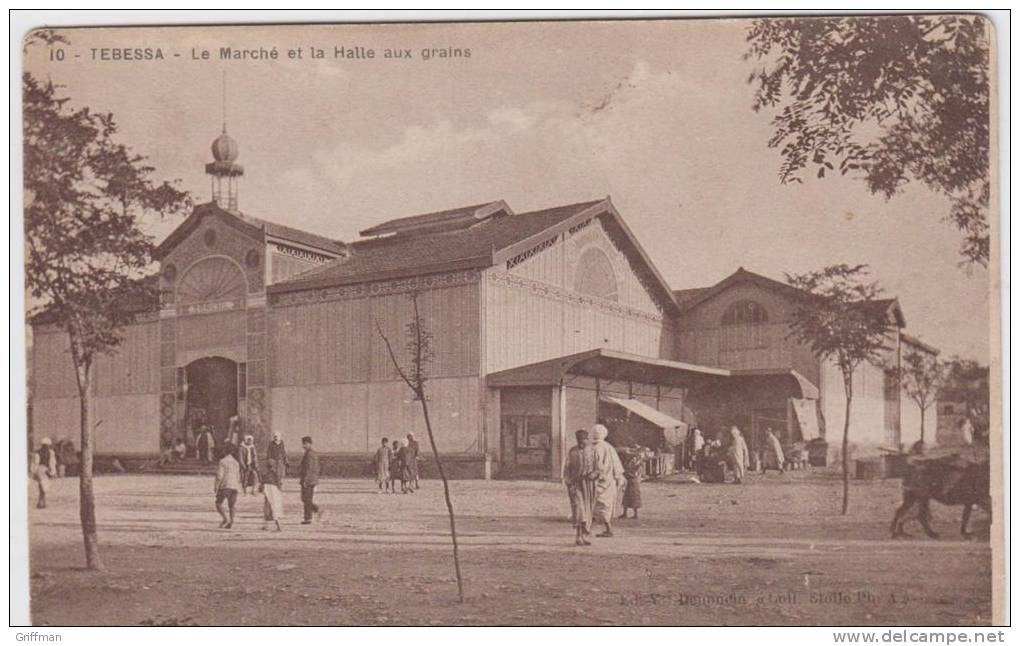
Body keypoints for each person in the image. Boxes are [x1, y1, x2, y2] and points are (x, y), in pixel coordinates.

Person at [590, 424, 625, 538]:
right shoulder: (609, 447)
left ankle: (604, 529)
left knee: (594, 504)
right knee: (605, 506)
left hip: (598, 480)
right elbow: (617, 466)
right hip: (609, 481)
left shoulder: (592, 448)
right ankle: (604, 528)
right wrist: (618, 477)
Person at [562, 429, 596, 546]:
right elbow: (567, 468)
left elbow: (599, 468)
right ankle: (578, 535)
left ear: (587, 439)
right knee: (578, 509)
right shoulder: (573, 451)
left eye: (583, 440)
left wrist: (594, 474)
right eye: (578, 440)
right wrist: (568, 481)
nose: (581, 443)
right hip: (575, 484)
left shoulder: (592, 451)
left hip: (588, 485)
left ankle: (584, 535)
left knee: (587, 510)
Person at [214, 445, 241, 529]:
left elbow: (219, 476)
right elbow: (238, 476)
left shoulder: (222, 461)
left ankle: (225, 519)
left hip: (225, 485)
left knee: (218, 503)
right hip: (234, 486)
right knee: (232, 505)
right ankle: (231, 521)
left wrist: (216, 486)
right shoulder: (236, 462)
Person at [299, 436, 322, 524]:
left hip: (308, 481)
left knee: (306, 499)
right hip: (311, 480)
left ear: (310, 444)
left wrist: (306, 480)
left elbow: (309, 468)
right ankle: (317, 511)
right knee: (305, 499)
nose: (303, 446)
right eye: (303, 444)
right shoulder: (312, 454)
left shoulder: (309, 454)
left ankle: (308, 518)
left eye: (305, 444)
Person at [620, 445, 645, 519]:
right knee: (627, 496)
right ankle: (625, 513)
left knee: (634, 496)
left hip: (634, 479)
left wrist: (628, 471)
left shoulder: (639, 462)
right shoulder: (635, 460)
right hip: (631, 479)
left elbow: (634, 470)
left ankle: (635, 514)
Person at [32, 438, 57, 509]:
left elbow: (36, 463)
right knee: (43, 486)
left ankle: (41, 502)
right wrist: (53, 471)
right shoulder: (50, 452)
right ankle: (41, 502)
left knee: (41, 486)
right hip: (45, 469)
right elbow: (52, 462)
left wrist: (34, 471)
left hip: (41, 469)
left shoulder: (38, 452)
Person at [261, 457, 284, 531]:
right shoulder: (275, 474)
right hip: (274, 491)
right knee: (274, 508)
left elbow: (262, 484)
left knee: (268, 508)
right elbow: (279, 483)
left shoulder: (265, 475)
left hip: (268, 490)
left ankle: (274, 526)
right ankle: (271, 525)